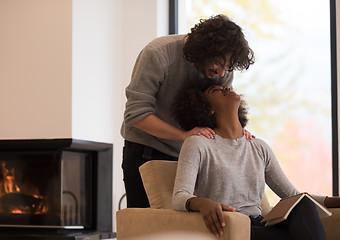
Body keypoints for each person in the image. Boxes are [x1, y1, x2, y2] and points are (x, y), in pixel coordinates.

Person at [172, 85, 340, 240]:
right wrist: (202, 203)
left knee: (302, 204)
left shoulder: (259, 146)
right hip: (231, 226)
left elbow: (292, 196)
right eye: (215, 90)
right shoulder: (198, 143)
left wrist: (335, 200)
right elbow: (179, 197)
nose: (225, 87)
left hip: (260, 223)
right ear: (209, 109)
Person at [121, 14, 255, 208]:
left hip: (189, 154)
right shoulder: (158, 54)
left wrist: (237, 134)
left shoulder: (223, 69)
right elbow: (136, 114)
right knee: (146, 228)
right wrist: (183, 135)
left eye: (229, 66)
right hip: (146, 151)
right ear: (204, 49)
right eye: (219, 63)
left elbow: (219, 115)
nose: (223, 73)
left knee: (184, 227)